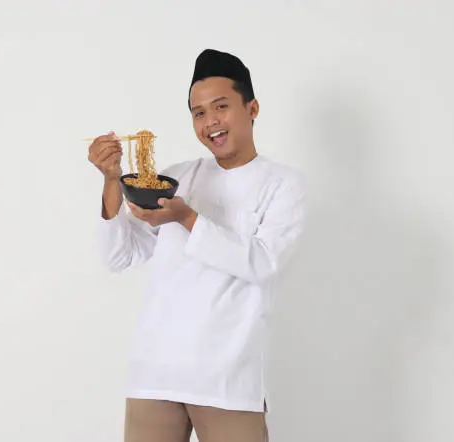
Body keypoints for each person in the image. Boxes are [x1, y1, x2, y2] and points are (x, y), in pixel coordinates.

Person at [87, 49, 305, 442]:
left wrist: (186, 219)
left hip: (226, 380)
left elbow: (262, 262)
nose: (210, 122)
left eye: (220, 107)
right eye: (198, 113)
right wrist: (110, 181)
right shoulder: (174, 179)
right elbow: (119, 256)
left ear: (252, 107)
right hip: (154, 374)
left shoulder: (282, 185)